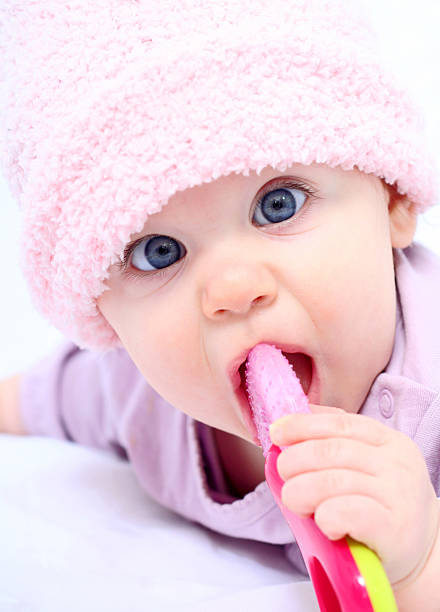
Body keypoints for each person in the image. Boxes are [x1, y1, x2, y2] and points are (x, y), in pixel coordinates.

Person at [1, 0, 439, 608]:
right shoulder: (138, 400)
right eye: (158, 252)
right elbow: (52, 397)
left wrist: (422, 563)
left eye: (278, 204)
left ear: (393, 199)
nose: (232, 290)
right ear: (105, 319)